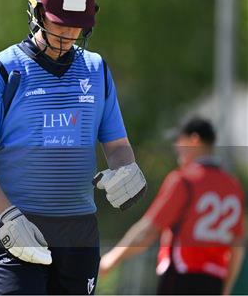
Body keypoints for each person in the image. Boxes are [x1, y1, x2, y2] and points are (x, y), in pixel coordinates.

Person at [0, 0, 147, 295]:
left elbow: (117, 145)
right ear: (38, 13)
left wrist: (126, 168)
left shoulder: (96, 69)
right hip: (15, 229)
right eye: (60, 25)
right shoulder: (3, 70)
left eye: (77, 28)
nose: (68, 36)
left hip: (79, 233)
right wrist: (10, 216)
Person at [99, 118, 245, 295]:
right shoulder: (234, 188)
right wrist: (225, 288)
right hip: (215, 282)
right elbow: (237, 246)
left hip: (181, 278)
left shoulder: (185, 180)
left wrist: (113, 258)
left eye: (179, 140)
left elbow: (149, 230)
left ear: (194, 140)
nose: (176, 146)